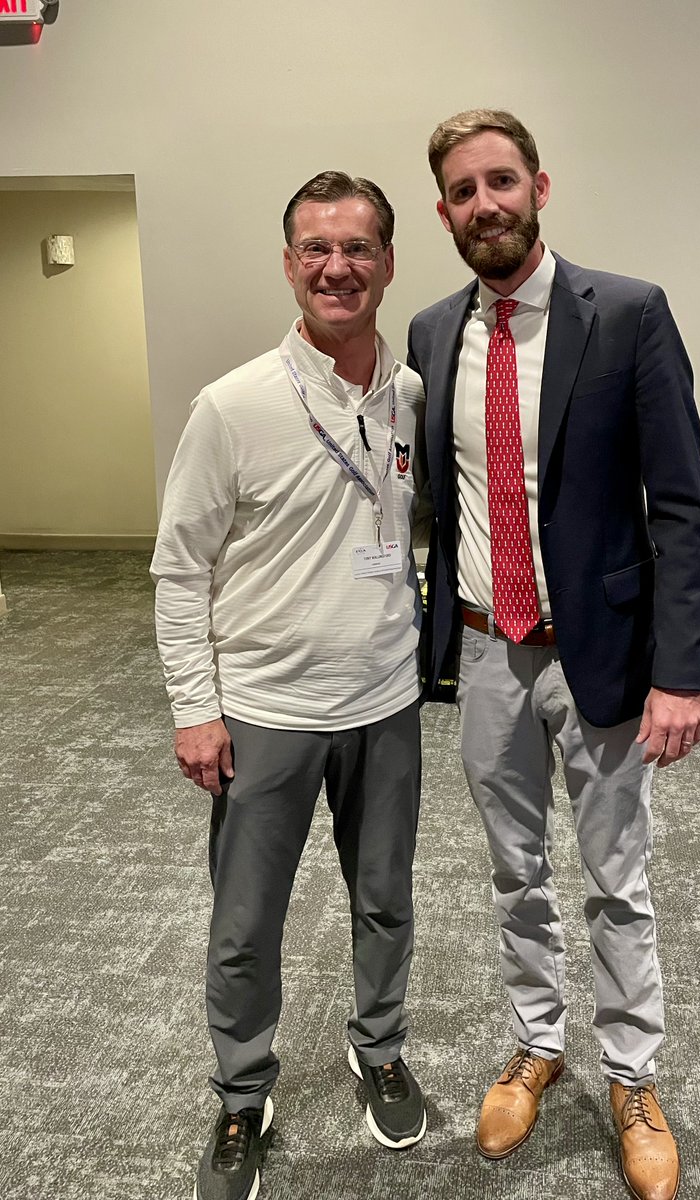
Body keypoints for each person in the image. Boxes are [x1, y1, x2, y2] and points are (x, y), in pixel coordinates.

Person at [408, 110, 700, 1200]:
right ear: (443, 210)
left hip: (603, 654)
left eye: (500, 180)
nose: (483, 203)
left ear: (540, 185)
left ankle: (631, 1076)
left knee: (615, 878)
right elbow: (432, 508)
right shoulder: (430, 331)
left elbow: (678, 507)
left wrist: (680, 670)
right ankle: (537, 1044)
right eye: (460, 189)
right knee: (512, 872)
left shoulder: (626, 314)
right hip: (486, 651)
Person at [151, 171, 428, 1200]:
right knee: (244, 928)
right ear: (288, 264)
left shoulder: (404, 395)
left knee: (385, 901)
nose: (336, 268)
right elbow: (178, 568)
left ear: (387, 263)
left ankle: (379, 1045)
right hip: (265, 714)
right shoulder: (231, 407)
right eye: (315, 248)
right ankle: (241, 1094)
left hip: (385, 702)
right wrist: (194, 708)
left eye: (356, 248)